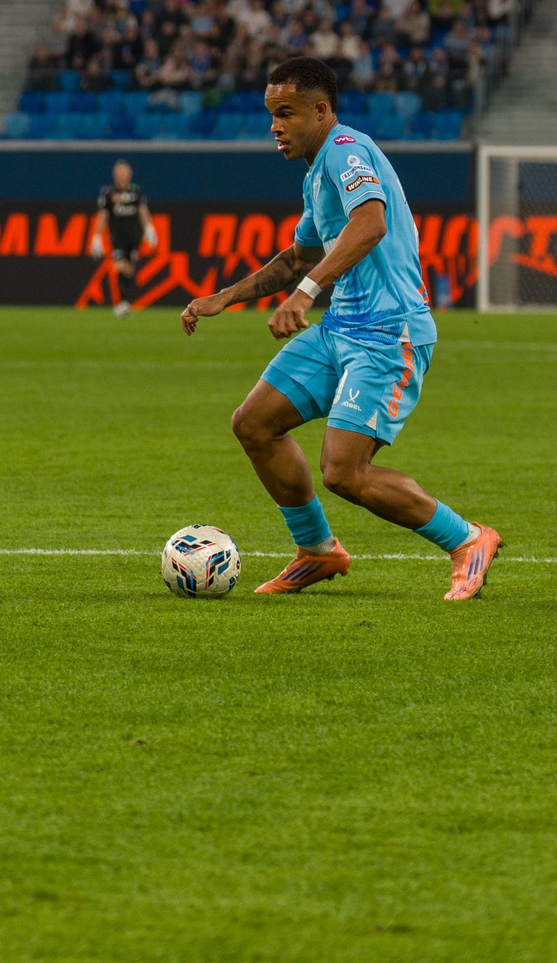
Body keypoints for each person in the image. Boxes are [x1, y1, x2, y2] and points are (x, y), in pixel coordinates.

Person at [179, 55, 500, 601]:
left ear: (321, 111)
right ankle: (317, 551)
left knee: (345, 472)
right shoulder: (316, 173)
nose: (275, 126)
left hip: (387, 332)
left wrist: (305, 296)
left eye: (286, 113)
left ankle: (468, 539)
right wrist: (224, 297)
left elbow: (369, 222)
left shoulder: (347, 151)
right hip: (341, 329)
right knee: (254, 424)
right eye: (270, 114)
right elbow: (298, 258)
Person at [95, 157, 155, 318]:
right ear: (114, 174)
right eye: (119, 172)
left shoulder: (136, 191)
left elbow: (143, 210)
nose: (122, 175)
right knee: (120, 266)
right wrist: (97, 236)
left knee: (129, 270)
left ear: (130, 173)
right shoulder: (108, 193)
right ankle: (123, 303)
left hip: (135, 236)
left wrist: (149, 227)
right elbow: (103, 215)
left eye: (125, 172)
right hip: (117, 237)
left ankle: (125, 302)